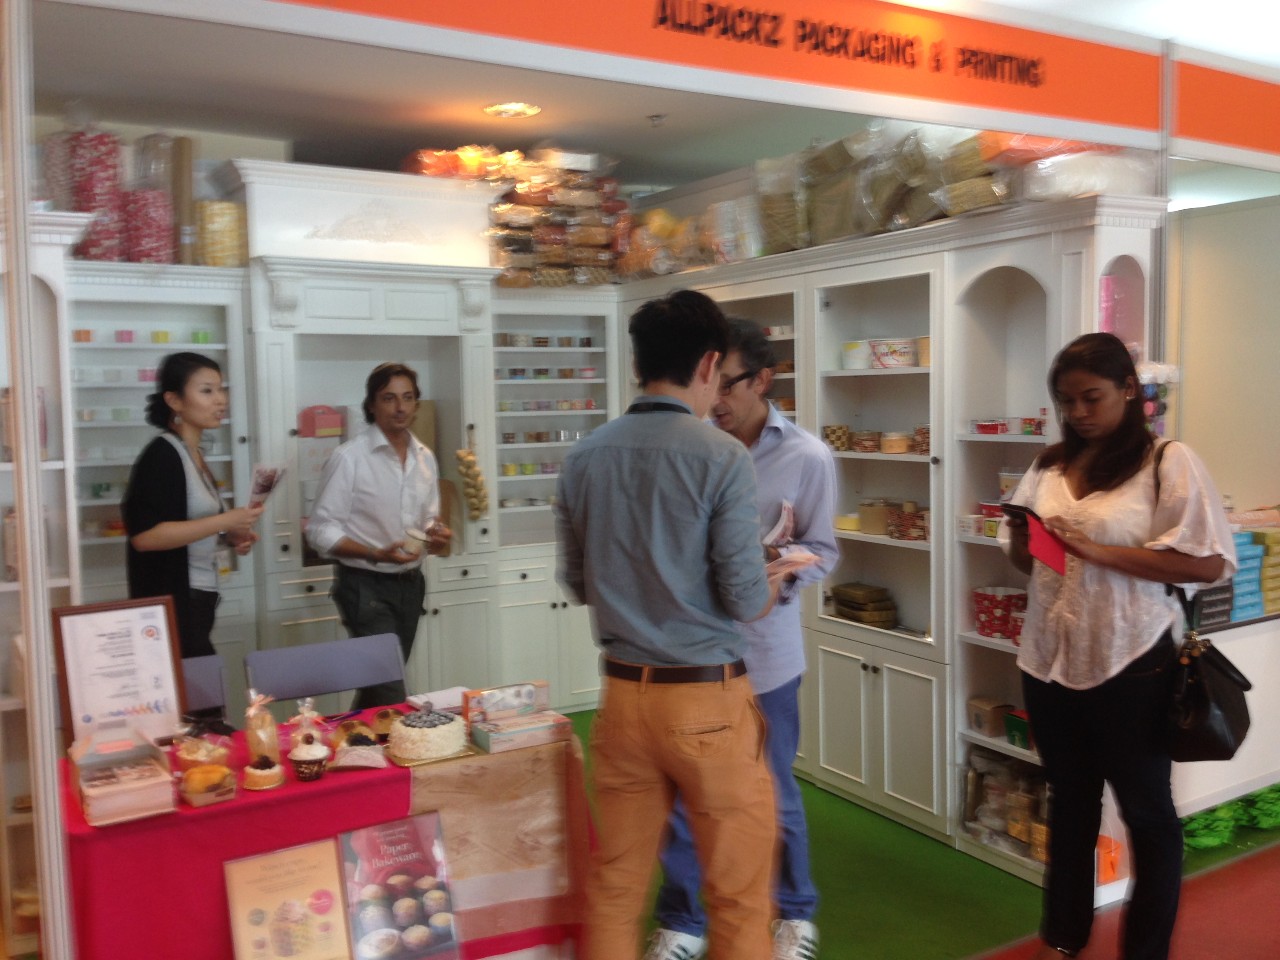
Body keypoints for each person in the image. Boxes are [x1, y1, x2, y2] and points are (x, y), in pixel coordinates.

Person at [556, 290, 795, 960]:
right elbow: (743, 598)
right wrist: (773, 579)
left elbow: (579, 583)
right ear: (710, 364)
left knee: (616, 885)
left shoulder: (585, 455)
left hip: (622, 697)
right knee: (739, 895)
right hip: (706, 699)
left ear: (638, 364)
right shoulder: (721, 456)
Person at [1000, 333, 1236, 960]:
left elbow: (1208, 563)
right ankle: (1064, 938)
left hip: (1132, 660)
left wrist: (1097, 551)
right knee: (1069, 803)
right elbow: (1030, 566)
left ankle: (1145, 950)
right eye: (1066, 401)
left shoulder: (1167, 461)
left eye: (1092, 397)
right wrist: (1026, 540)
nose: (1078, 412)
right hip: (1049, 659)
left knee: (1147, 813)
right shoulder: (1048, 466)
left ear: (1129, 390)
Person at [647, 318, 837, 960]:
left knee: (773, 788)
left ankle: (794, 913)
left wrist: (776, 567)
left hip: (766, 653)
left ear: (764, 380)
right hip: (693, 649)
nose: (717, 398)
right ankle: (683, 921)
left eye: (729, 384)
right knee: (685, 792)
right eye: (711, 382)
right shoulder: (691, 445)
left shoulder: (807, 456)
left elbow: (823, 548)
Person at [306, 362, 451, 710]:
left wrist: (437, 534)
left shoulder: (425, 458)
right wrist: (374, 553)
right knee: (390, 688)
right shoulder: (349, 458)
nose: (400, 407)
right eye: (389, 398)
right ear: (371, 404)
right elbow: (319, 531)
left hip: (410, 584)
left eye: (408, 398)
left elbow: (429, 520)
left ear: (416, 403)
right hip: (364, 586)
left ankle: (354, 738)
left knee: (378, 686)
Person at [124, 352, 263, 660]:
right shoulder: (162, 455)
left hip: (199, 597)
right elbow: (145, 536)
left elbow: (189, 527)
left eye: (221, 389)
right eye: (207, 391)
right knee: (199, 685)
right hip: (174, 602)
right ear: (174, 400)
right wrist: (224, 520)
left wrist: (229, 537)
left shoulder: (193, 453)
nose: (221, 400)